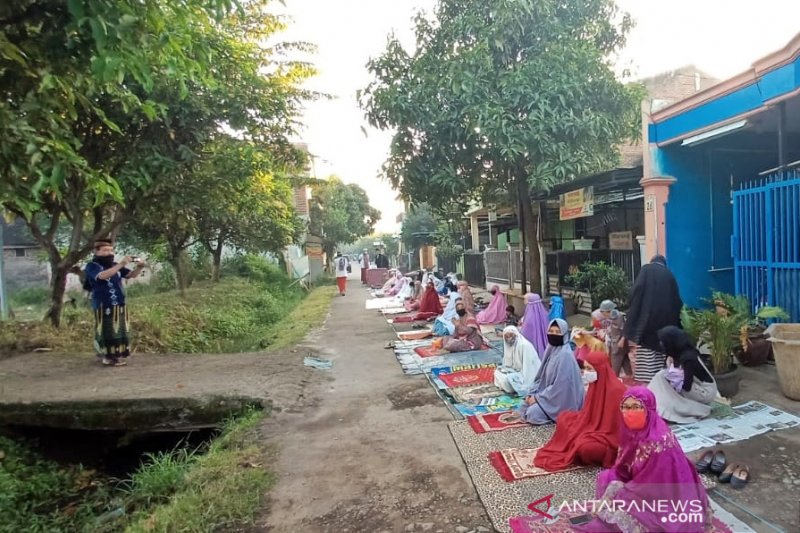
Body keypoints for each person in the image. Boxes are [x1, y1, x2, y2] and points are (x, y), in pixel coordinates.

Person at [577, 387, 712, 532]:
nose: (629, 412)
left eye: (636, 407)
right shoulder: (633, 431)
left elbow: (650, 487)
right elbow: (624, 466)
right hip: (642, 483)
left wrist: (615, 495)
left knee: (621, 504)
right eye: (625, 407)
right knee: (606, 478)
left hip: (664, 497)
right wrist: (614, 490)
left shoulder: (657, 441)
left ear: (649, 409)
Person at [534, 350, 627, 471]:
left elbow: (616, 428)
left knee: (586, 448)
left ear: (601, 368)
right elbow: (588, 413)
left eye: (590, 368)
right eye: (585, 368)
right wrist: (586, 427)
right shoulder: (595, 383)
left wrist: (593, 432)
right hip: (591, 426)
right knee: (564, 417)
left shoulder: (617, 391)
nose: (586, 372)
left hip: (607, 437)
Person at [622, 255, 683, 383]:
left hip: (647, 322)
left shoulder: (646, 270)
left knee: (648, 355)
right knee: (662, 353)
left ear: (652, 261)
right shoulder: (670, 275)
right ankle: (662, 382)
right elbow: (677, 302)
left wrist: (632, 309)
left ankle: (649, 383)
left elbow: (636, 291)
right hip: (666, 323)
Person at [84, 240, 145, 366]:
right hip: (103, 304)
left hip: (119, 303)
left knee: (119, 331)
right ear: (96, 252)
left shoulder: (115, 265)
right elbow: (102, 276)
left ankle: (116, 356)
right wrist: (122, 264)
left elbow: (131, 275)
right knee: (106, 331)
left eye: (111, 250)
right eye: (105, 250)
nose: (109, 253)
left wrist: (140, 267)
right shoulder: (92, 266)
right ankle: (107, 357)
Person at [516, 319, 585, 425]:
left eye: (558, 332)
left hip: (563, 399)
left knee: (533, 414)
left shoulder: (565, 355)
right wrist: (532, 393)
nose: (553, 335)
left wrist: (538, 398)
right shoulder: (551, 349)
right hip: (548, 395)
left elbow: (561, 388)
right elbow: (541, 377)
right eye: (551, 331)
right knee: (523, 405)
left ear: (565, 335)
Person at [648, 326, 718, 423]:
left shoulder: (688, 358)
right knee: (661, 376)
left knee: (662, 377)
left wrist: (671, 370)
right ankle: (654, 404)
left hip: (705, 392)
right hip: (694, 387)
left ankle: (670, 408)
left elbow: (686, 386)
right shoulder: (677, 354)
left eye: (663, 342)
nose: (661, 344)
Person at [494, 326, 540, 396]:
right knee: (497, 373)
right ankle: (512, 386)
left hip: (527, 373)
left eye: (511, 335)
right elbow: (507, 364)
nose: (509, 338)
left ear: (516, 335)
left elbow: (529, 369)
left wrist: (522, 380)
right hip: (515, 372)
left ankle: (514, 387)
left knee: (507, 380)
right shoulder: (508, 345)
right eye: (506, 336)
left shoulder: (524, 345)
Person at [592, 300, 630, 377]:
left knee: (615, 361)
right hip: (615, 341)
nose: (602, 314)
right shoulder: (613, 317)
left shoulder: (618, 317)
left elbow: (626, 329)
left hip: (618, 342)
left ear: (608, 311)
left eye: (603, 312)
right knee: (624, 359)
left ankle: (614, 378)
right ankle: (629, 374)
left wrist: (622, 340)